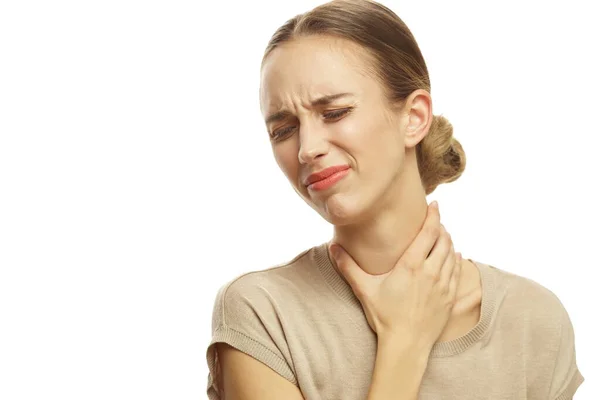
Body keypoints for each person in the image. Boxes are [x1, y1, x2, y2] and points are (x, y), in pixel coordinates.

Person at [205, 0, 584, 399]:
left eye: (334, 112)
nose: (307, 148)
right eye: (283, 130)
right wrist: (404, 343)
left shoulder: (533, 320)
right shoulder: (262, 315)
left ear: (414, 117)